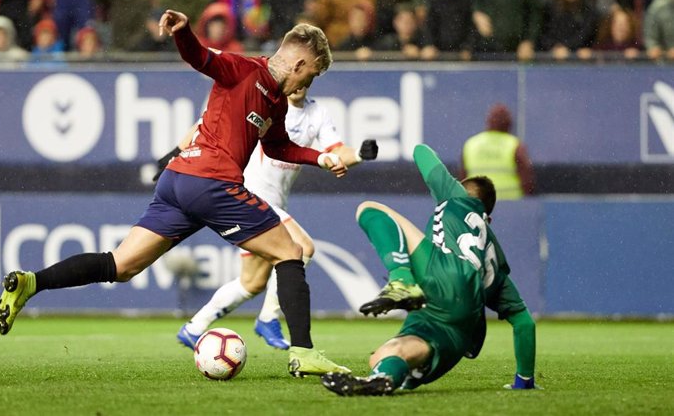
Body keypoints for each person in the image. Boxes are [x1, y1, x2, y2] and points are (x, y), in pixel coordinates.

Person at [0, 8, 351, 378]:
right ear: (300, 63)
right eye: (312, 73)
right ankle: (304, 352)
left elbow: (279, 148)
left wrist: (319, 157)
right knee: (290, 252)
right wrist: (183, 32)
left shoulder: (274, 101)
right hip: (213, 184)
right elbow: (199, 57)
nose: (309, 83)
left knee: (120, 265)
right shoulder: (243, 69)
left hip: (179, 181)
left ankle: (31, 282)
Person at [320, 144, 539, 396]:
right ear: (489, 217)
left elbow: (420, 151)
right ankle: (383, 377)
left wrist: (447, 182)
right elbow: (524, 323)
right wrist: (524, 381)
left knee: (369, 209)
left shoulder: (456, 196)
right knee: (386, 354)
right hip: (460, 323)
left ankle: (401, 280)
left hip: (442, 274)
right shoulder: (494, 259)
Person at [173, 87, 378, 350]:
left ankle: (194, 327)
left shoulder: (317, 113)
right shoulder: (266, 103)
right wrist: (174, 152)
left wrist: (360, 154)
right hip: (250, 195)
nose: (301, 83)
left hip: (274, 203)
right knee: (302, 248)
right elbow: (206, 121)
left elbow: (337, 150)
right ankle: (269, 318)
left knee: (252, 282)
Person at [461, 104, 535, 200]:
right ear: (509, 124)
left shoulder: (471, 145)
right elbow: (527, 182)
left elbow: (462, 180)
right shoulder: (515, 145)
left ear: (488, 122)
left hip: (479, 207)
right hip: (511, 207)